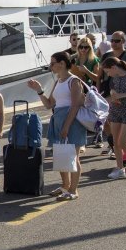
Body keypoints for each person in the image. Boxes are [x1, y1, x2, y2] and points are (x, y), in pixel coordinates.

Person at [28, 52, 86, 201]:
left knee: (73, 156)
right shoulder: (59, 81)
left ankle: (73, 190)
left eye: (53, 63)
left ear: (62, 64)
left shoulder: (74, 81)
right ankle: (65, 185)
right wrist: (39, 90)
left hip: (72, 122)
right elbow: (49, 104)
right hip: (59, 120)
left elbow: (75, 105)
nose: (50, 66)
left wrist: (66, 126)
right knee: (60, 156)